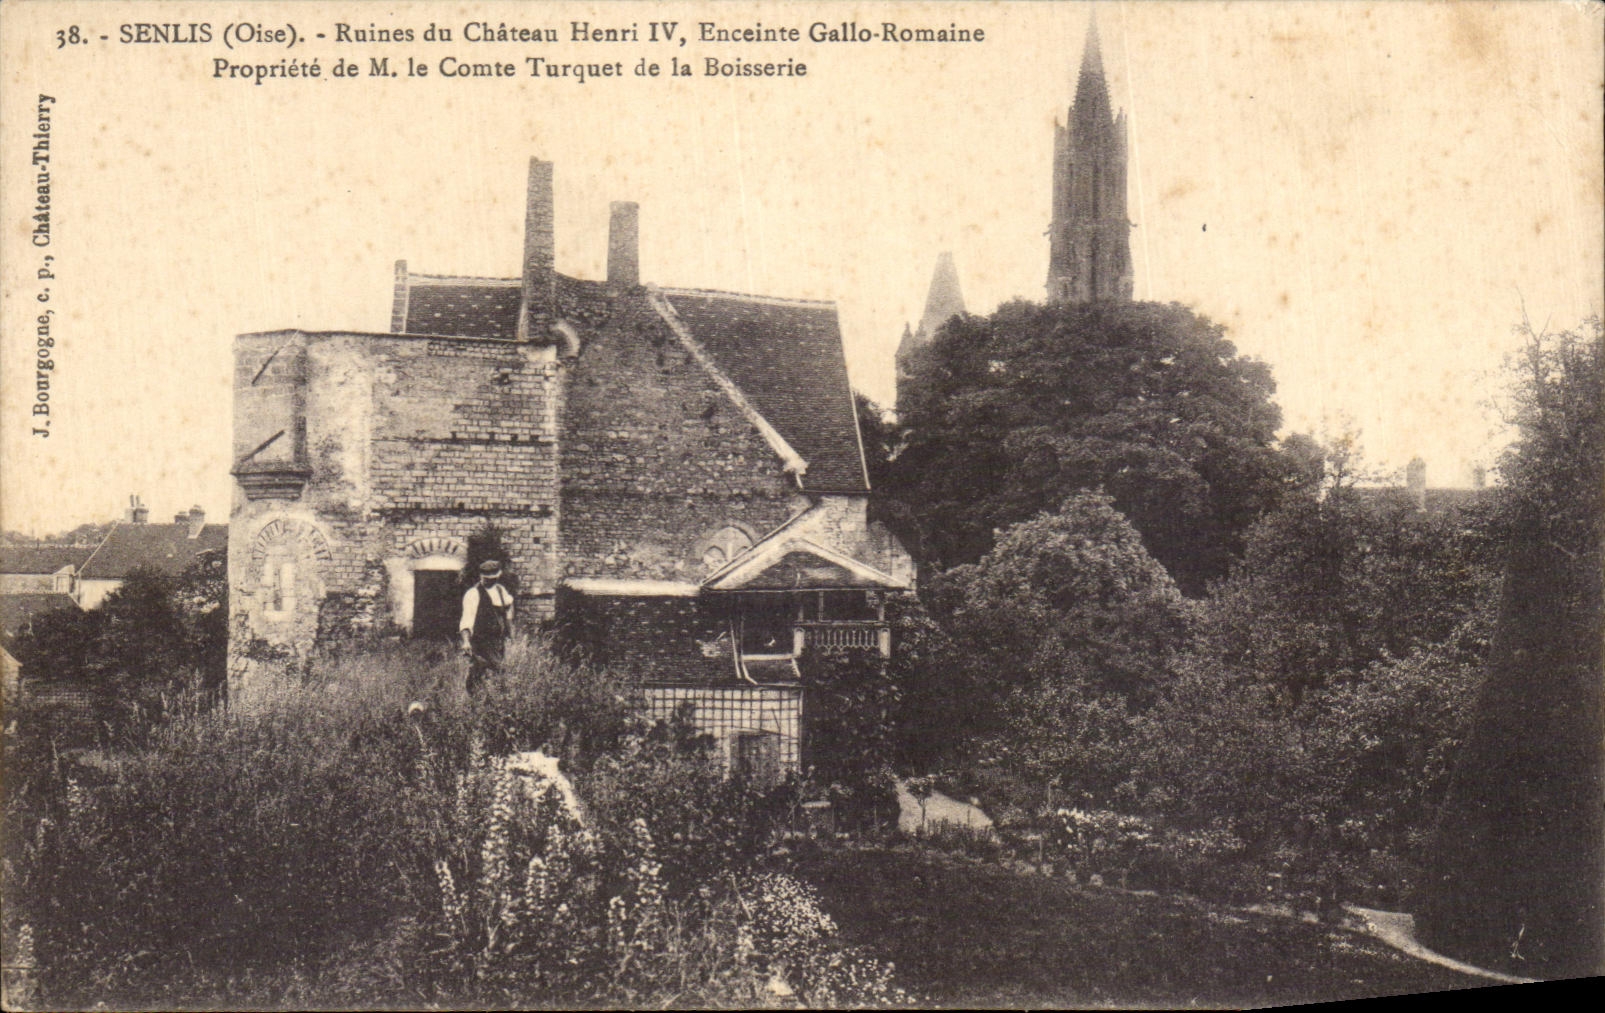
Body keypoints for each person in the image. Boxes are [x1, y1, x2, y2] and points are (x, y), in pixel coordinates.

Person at [459, 559, 514, 694]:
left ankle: (484, 699)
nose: (491, 581)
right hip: (481, 641)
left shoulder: (500, 590)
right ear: (481, 576)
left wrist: (509, 627)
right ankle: (484, 698)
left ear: (498, 576)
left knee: (486, 673)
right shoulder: (473, 594)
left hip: (498, 642)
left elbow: (509, 605)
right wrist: (466, 641)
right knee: (496, 670)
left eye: (493, 578)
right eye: (487, 578)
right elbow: (466, 620)